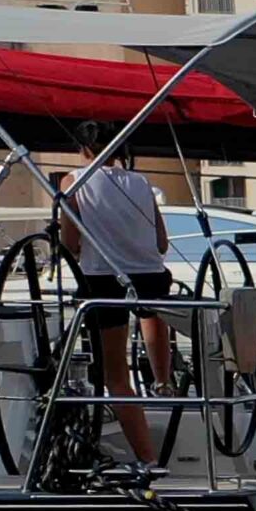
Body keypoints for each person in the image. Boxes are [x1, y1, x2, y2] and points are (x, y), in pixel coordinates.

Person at [58, 122, 172, 464]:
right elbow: (161, 243)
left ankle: (148, 459)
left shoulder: (72, 181)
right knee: (150, 312)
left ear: (84, 150)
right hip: (151, 274)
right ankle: (163, 382)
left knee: (116, 376)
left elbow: (69, 243)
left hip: (103, 278)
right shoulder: (141, 182)